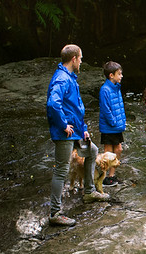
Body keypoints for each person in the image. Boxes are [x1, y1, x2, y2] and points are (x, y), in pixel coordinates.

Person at [46, 45, 110, 227]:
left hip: (75, 131)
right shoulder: (62, 79)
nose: (81, 61)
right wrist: (63, 124)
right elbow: (53, 104)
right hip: (65, 132)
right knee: (61, 170)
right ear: (73, 58)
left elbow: (73, 107)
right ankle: (55, 213)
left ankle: (89, 191)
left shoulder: (69, 78)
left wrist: (83, 129)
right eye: (80, 58)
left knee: (92, 151)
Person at [98, 61, 126, 185]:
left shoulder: (117, 88)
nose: (121, 76)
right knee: (108, 152)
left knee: (118, 150)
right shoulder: (105, 90)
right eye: (119, 74)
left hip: (117, 126)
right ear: (111, 75)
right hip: (109, 127)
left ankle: (112, 175)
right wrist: (113, 122)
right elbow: (105, 109)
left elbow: (120, 106)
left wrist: (122, 121)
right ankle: (104, 177)